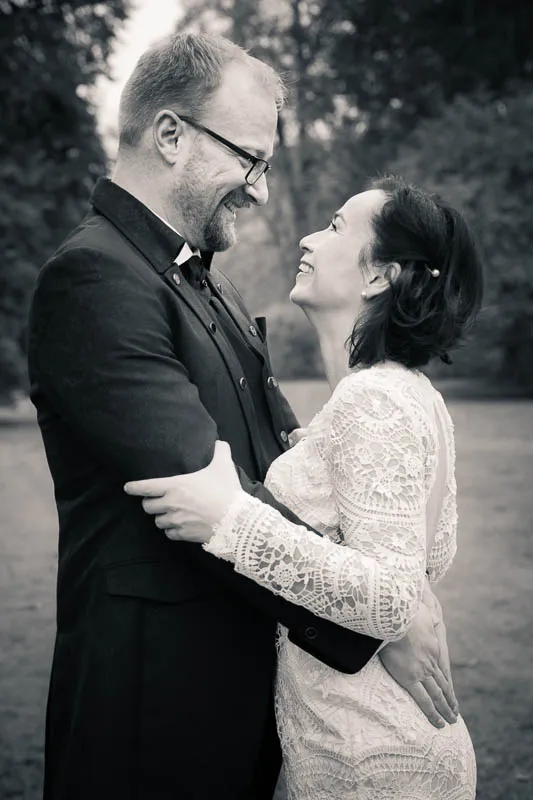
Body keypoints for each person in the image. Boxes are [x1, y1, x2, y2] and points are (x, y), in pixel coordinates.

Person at [28, 30, 456, 800]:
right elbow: (198, 489)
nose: (259, 190)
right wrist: (372, 623)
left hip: (249, 696)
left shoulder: (211, 284)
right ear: (170, 135)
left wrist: (386, 597)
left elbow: (286, 461)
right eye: (249, 159)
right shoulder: (94, 278)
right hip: (153, 707)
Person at [125, 175, 483, 799]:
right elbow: (404, 557)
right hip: (351, 741)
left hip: (374, 758)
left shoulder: (376, 400)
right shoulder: (400, 394)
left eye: (337, 227)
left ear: (379, 276)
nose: (310, 238)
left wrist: (231, 521)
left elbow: (392, 598)